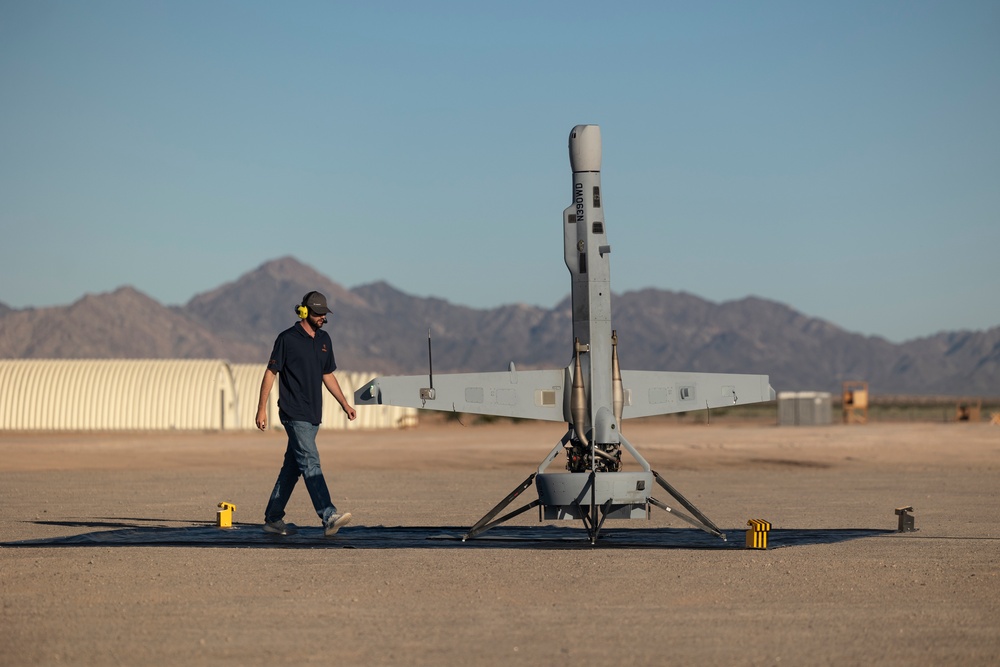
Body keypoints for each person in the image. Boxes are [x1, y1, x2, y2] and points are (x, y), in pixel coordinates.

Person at [256, 290, 357, 537]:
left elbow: (327, 374)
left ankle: (273, 518)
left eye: (325, 313)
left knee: (292, 468)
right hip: (293, 411)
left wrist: (345, 403)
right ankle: (328, 515)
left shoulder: (325, 340)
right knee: (311, 460)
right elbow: (271, 373)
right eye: (318, 313)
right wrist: (261, 409)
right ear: (304, 311)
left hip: (314, 414)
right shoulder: (286, 339)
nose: (323, 317)